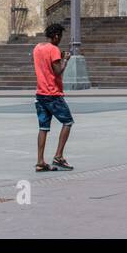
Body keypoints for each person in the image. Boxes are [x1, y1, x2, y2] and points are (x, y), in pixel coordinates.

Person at [32, 23, 74, 172]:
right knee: (68, 121)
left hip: (40, 93)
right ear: (56, 36)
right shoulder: (54, 49)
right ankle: (59, 156)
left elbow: (44, 64)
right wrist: (65, 60)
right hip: (53, 94)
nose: (60, 39)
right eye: (60, 37)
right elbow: (57, 71)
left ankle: (40, 161)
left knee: (43, 127)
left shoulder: (37, 48)